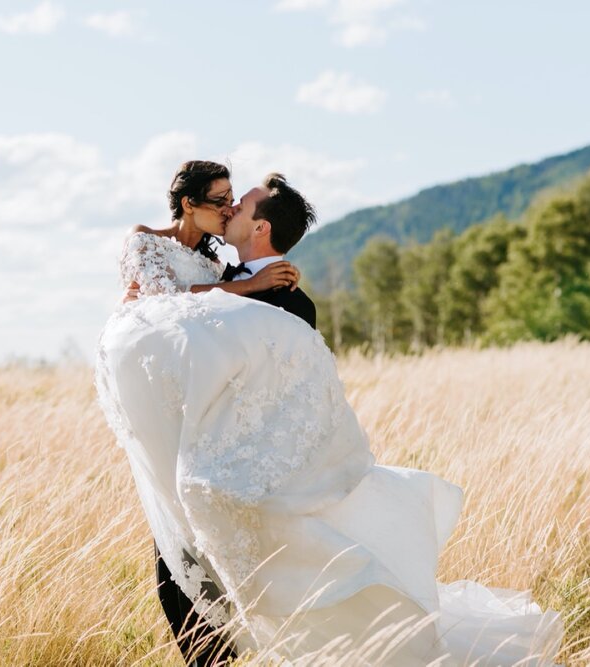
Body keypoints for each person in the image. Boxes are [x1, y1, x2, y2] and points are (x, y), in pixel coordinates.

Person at [95, 166, 563, 666]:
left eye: (238, 202)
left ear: (261, 228)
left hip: (244, 477)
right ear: (189, 204)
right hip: (184, 453)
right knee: (180, 579)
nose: (229, 208)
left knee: (279, 592)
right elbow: (164, 318)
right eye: (221, 200)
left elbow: (286, 396)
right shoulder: (217, 273)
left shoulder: (291, 302)